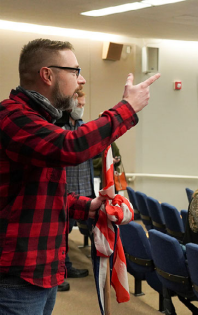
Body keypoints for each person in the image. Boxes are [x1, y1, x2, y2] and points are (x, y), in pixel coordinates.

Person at [0, 38, 160, 314]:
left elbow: (41, 192)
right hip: (17, 276)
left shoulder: (39, 121)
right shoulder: (12, 117)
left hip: (40, 272)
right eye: (74, 71)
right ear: (47, 74)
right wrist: (127, 108)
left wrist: (87, 206)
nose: (81, 80)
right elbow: (71, 147)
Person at [54, 90, 93, 292]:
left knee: (66, 235)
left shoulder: (82, 126)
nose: (82, 108)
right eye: (79, 104)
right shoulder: (57, 129)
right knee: (59, 236)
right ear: (69, 106)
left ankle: (66, 267)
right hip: (64, 193)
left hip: (83, 191)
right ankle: (57, 273)